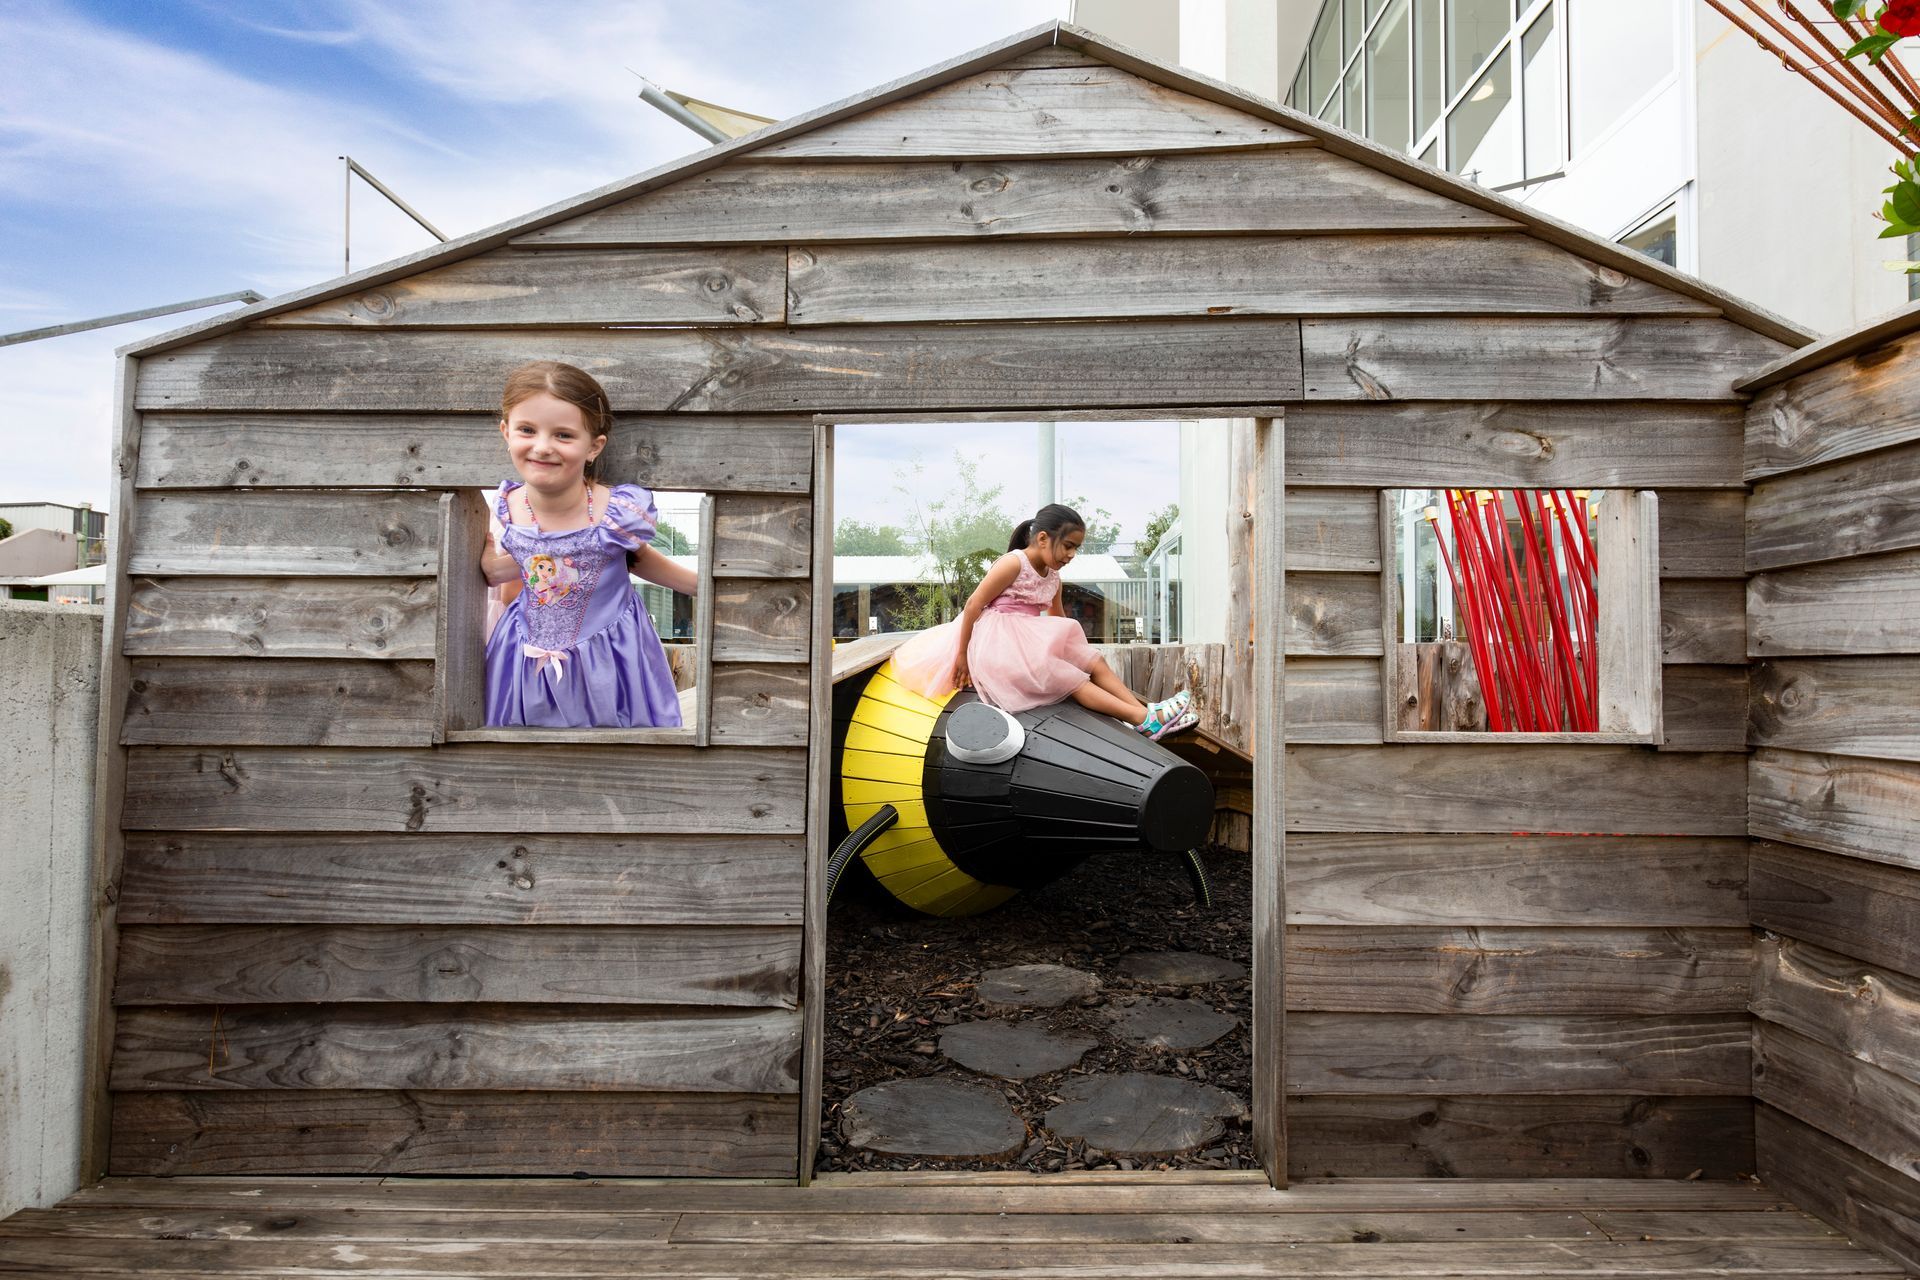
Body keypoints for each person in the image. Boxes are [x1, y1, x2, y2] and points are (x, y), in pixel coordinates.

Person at [479, 360, 694, 728]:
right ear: (506, 432)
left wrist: (714, 586)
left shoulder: (616, 513)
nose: (542, 447)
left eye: (563, 435)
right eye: (527, 430)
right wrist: (493, 568)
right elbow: (531, 565)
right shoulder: (507, 507)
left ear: (594, 447)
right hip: (523, 663)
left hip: (609, 663)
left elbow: (640, 561)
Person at [890, 503, 1198, 739]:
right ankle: (1141, 719)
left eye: (1076, 548)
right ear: (1042, 538)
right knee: (1070, 679)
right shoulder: (1013, 564)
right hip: (995, 639)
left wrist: (1074, 653)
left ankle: (1146, 714)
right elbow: (973, 605)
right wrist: (961, 655)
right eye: (1068, 546)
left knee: (1094, 661)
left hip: (1024, 638)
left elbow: (1058, 620)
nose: (1072, 554)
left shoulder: (1053, 577)